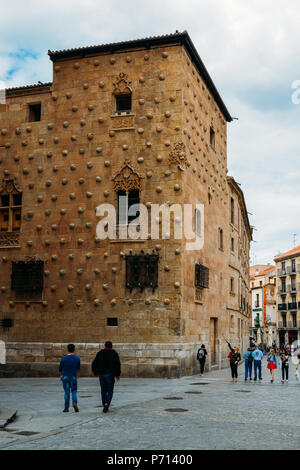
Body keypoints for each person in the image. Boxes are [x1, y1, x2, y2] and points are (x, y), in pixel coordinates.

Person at [92, 341, 121, 413]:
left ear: (105, 346)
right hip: (110, 375)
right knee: (110, 390)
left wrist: (95, 372)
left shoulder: (100, 353)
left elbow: (94, 363)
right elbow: (117, 364)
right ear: (111, 347)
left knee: (103, 390)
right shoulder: (114, 353)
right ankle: (107, 403)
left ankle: (104, 403)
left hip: (102, 374)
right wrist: (118, 374)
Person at [59, 344, 80, 413]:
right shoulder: (77, 358)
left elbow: (60, 369)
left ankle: (66, 408)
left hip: (65, 376)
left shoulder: (63, 358)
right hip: (73, 376)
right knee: (74, 391)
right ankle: (74, 403)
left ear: (67, 349)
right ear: (74, 349)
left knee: (66, 393)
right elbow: (78, 368)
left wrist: (61, 376)